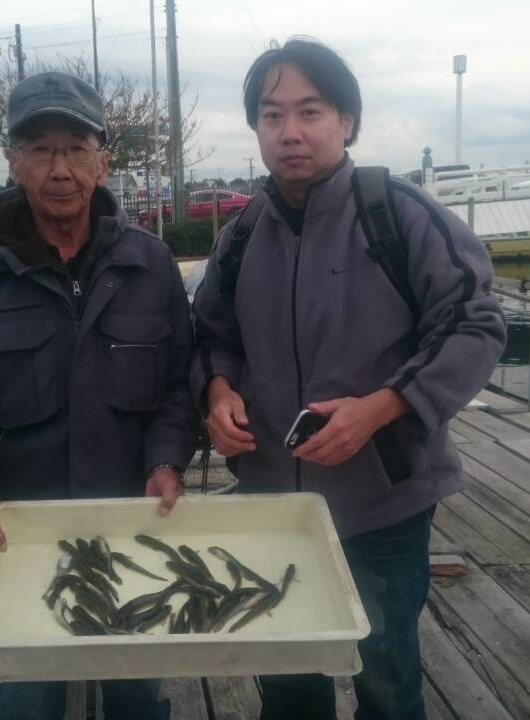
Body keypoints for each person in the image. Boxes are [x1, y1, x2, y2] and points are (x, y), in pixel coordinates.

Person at [191, 39, 506, 720]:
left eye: (310, 111)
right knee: (289, 682)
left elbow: (475, 324)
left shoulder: (400, 215)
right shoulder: (240, 235)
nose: (290, 132)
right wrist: (218, 391)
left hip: (383, 504)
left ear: (347, 121)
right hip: (273, 504)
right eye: (272, 115)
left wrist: (384, 407)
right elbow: (213, 335)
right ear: (256, 129)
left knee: (387, 682)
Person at [0, 71, 195, 720]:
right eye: (40, 148)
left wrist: (167, 460)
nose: (59, 168)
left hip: (132, 533)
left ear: (103, 161)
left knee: (136, 696)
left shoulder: (150, 265)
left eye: (75, 148)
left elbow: (179, 385)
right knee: (28, 701)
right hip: (20, 542)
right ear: (13, 162)